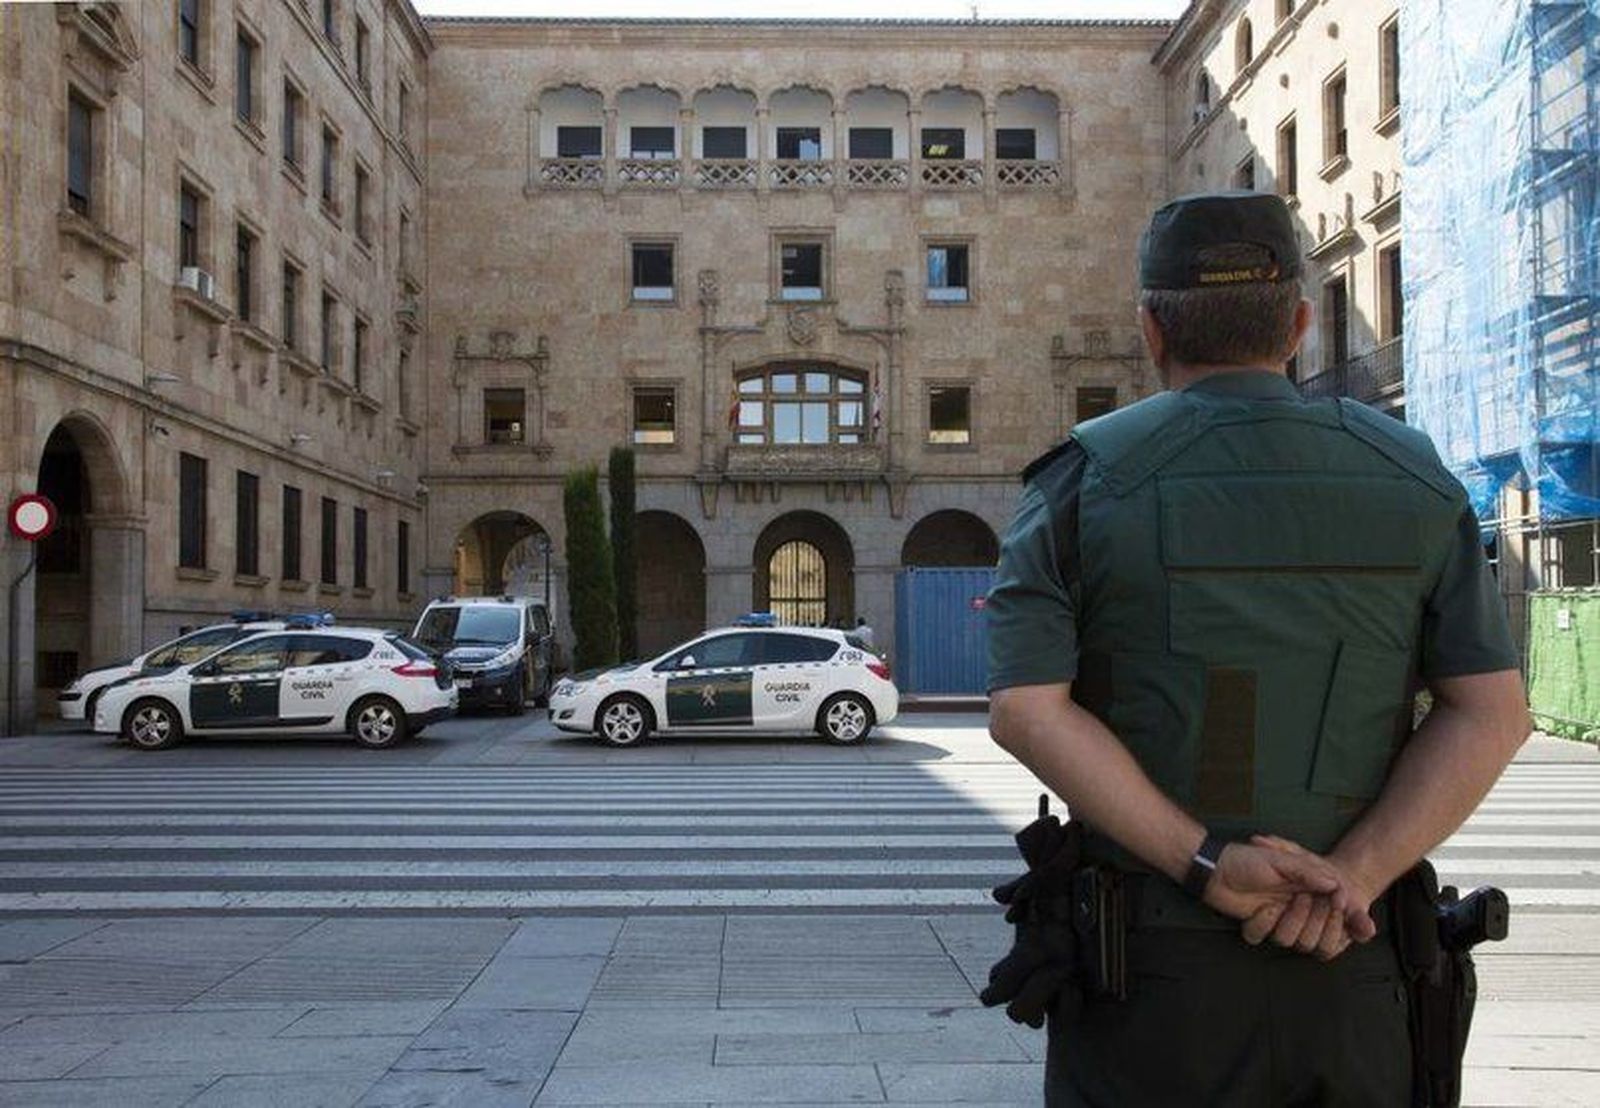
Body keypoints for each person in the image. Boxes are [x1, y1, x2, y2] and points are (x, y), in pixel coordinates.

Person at [984, 190, 1530, 1106]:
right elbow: (1492, 713)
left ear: (1152, 330)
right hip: (1358, 957)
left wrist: (1206, 863)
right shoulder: (1415, 475)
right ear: (1301, 326)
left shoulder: (1080, 483)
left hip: (1150, 980)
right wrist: (1352, 877)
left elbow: (1027, 710)